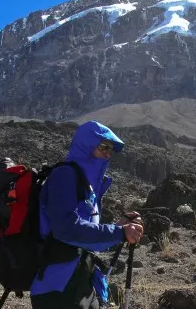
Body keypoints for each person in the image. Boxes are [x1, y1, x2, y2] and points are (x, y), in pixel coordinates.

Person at [30, 121, 143, 309]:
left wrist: (119, 227)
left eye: (111, 150)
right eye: (103, 147)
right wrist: (119, 232)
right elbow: (67, 229)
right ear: (87, 144)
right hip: (57, 288)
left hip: (82, 280)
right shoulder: (64, 175)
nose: (107, 154)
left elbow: (88, 235)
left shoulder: (87, 185)